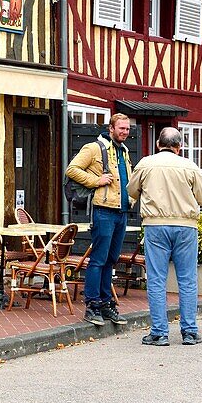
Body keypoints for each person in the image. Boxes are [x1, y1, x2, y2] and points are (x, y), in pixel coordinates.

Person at [127, 126, 202, 346]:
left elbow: (131, 190)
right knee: (187, 279)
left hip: (156, 225)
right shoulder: (189, 166)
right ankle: (190, 331)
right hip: (185, 226)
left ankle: (159, 332)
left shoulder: (146, 163)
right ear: (179, 146)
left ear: (158, 144)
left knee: (156, 279)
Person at [65, 113, 134, 326]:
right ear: (111, 128)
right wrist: (96, 180)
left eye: (127, 129)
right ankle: (92, 305)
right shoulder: (94, 148)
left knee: (112, 258)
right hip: (103, 211)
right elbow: (72, 170)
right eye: (121, 128)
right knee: (98, 259)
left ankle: (105, 304)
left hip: (121, 212)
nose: (124, 132)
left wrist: (131, 198)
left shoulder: (124, 150)